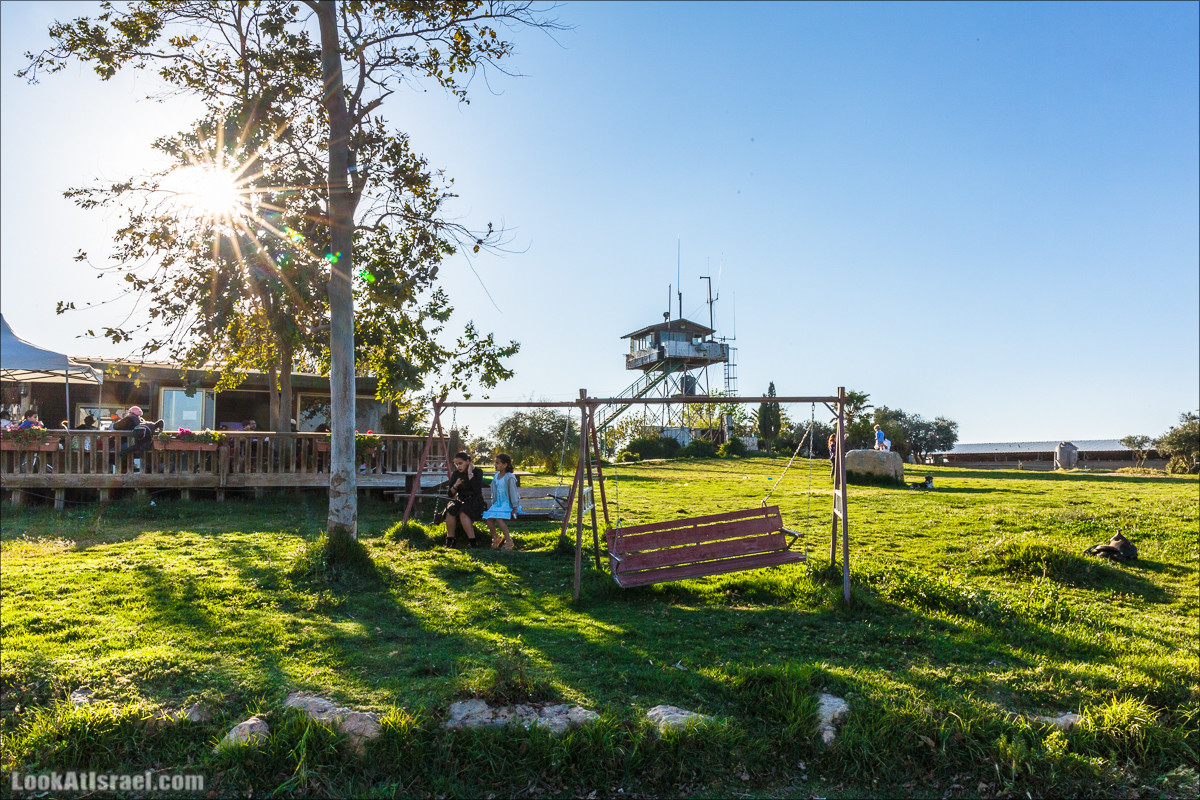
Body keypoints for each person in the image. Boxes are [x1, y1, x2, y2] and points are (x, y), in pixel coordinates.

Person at [444, 451, 485, 548]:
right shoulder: (456, 474)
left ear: (467, 461)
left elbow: (477, 491)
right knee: (450, 510)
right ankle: (450, 540)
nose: (458, 466)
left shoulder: (477, 472)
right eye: (456, 464)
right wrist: (455, 485)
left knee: (463, 512)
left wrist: (470, 474)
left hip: (475, 501)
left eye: (460, 463)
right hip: (461, 500)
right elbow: (450, 494)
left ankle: (472, 542)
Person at [483, 453, 521, 551]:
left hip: (507, 504)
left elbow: (513, 492)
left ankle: (509, 541)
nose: (495, 465)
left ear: (505, 464)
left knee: (499, 519)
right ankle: (496, 538)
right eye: (495, 463)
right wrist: (494, 504)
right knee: (489, 519)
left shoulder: (509, 477)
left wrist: (515, 507)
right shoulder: (496, 477)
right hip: (498, 504)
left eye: (498, 463)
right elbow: (494, 493)